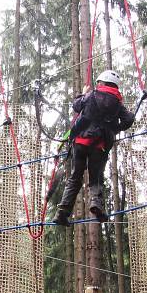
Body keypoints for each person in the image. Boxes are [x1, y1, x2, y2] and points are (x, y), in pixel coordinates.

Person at [53, 70, 135, 226]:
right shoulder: (118, 103)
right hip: (99, 145)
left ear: (102, 83)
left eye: (99, 83)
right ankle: (96, 204)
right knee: (95, 178)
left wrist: (82, 94)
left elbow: (76, 106)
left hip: (80, 143)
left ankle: (62, 212)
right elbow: (129, 119)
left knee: (75, 178)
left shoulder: (91, 95)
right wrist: (114, 128)